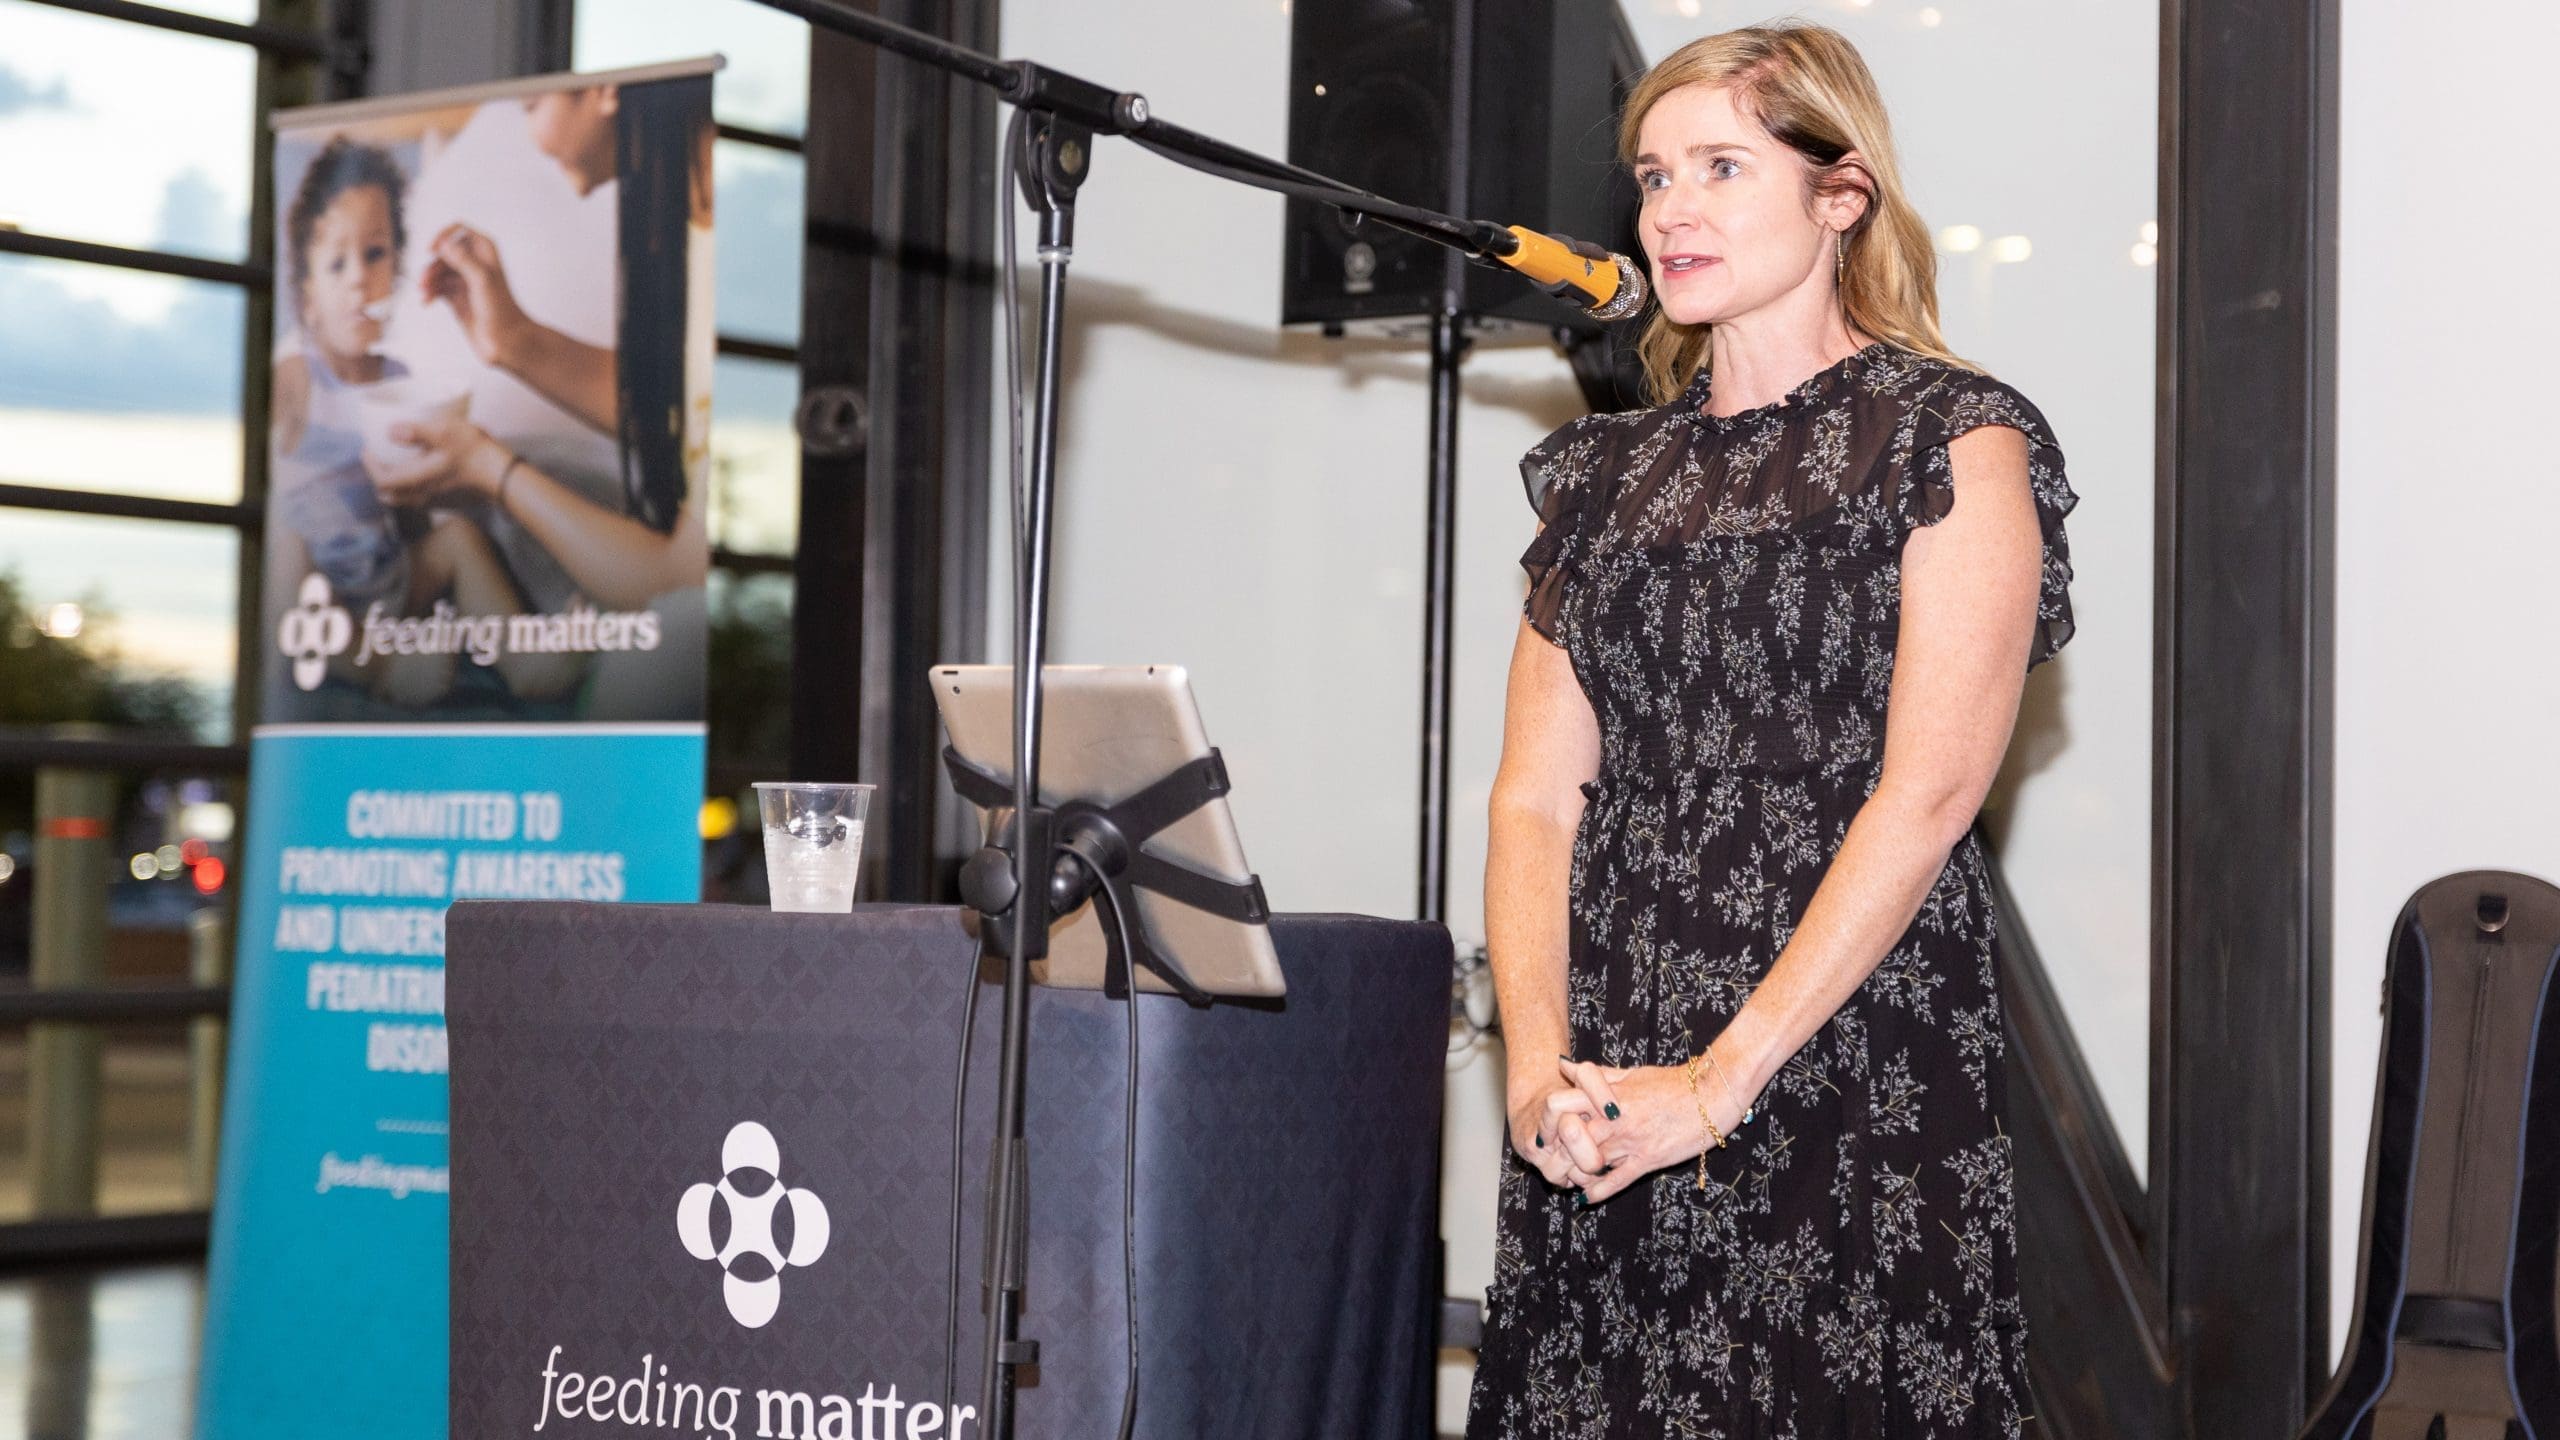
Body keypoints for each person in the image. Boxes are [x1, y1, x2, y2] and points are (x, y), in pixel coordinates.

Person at [1465, 22, 2077, 1438]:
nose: (1669, 210)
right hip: (1612, 1054)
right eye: (1653, 175)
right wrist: (1538, 1070)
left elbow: (1928, 795)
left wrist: (1720, 1081)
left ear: (1840, 194)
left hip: (1840, 1039)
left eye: (1721, 168)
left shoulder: (1948, 439)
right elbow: (1533, 801)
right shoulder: (1605, 477)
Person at [268, 137, 568, 707]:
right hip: (323, 604)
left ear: (399, 268)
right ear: (307, 296)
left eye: (375, 254)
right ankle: (379, 670)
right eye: (337, 263)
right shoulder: (298, 378)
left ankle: (525, 660)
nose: (359, 278)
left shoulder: (398, 380)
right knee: (285, 550)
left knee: (457, 539)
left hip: (391, 580)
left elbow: (411, 507)